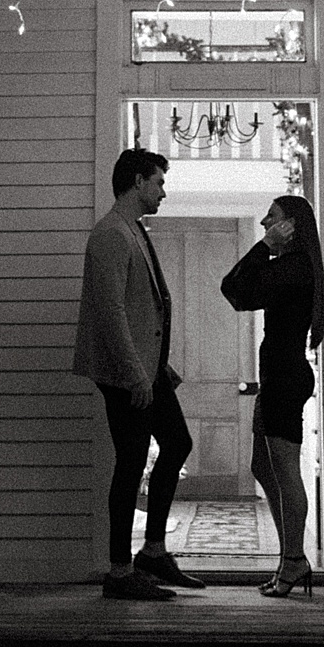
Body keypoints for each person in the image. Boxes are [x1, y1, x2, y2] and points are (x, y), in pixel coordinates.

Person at [72, 148, 204, 600]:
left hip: (148, 369)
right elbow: (109, 312)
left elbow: (138, 308)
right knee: (130, 464)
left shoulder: (132, 231)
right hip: (127, 374)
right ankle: (120, 572)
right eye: (159, 182)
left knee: (178, 443)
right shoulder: (111, 234)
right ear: (136, 181)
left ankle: (153, 550)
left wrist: (157, 363)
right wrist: (135, 374)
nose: (163, 191)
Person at [219, 194, 324, 598]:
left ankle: (295, 562)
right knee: (262, 467)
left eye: (273, 217)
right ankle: (290, 557)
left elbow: (233, 289)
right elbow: (238, 292)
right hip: (277, 377)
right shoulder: (288, 267)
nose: (265, 222)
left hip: (285, 378)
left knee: (284, 470)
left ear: (292, 226)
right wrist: (265, 249)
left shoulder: (295, 268)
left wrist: (263, 248)